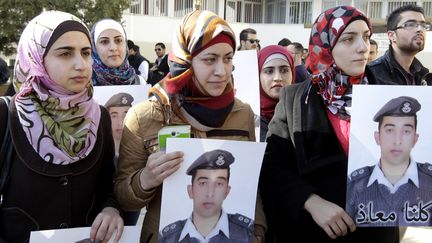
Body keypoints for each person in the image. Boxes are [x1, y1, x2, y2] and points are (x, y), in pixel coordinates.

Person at [114, 10, 266, 243]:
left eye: (228, 58)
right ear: (186, 60)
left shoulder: (242, 113)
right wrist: (146, 178)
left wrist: (257, 231)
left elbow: (248, 185)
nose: (222, 71)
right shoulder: (144, 116)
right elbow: (124, 197)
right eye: (209, 59)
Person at [259, 6, 399, 242]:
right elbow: (273, 167)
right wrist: (310, 201)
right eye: (348, 39)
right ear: (325, 45)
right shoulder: (295, 99)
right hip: (315, 232)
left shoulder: (391, 96)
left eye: (366, 37)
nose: (363, 47)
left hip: (377, 231)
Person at [0, 10, 123, 243]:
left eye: (86, 53)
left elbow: (108, 187)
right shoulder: (6, 116)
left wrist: (110, 209)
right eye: (65, 53)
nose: (81, 64)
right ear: (35, 58)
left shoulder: (100, 116)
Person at [347, 96, 432, 227]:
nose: (397, 140)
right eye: (390, 130)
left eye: (406, 131)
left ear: (415, 138)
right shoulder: (355, 185)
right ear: (377, 137)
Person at [158, 149, 254, 242]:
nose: (210, 194)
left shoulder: (247, 233)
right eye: (203, 183)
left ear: (227, 191)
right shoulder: (168, 238)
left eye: (219, 184)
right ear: (190, 190)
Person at [368, 5, 431, 85]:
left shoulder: (423, 75)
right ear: (392, 35)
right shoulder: (371, 74)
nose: (419, 29)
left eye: (423, 25)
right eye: (410, 24)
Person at [258, 45, 295, 142]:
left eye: (284, 70)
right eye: (269, 71)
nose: (277, 78)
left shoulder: (305, 112)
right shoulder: (248, 117)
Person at [91, 19, 139, 86]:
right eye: (104, 41)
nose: (113, 48)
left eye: (118, 40)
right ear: (94, 48)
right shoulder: (82, 84)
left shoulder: (139, 82)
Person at [104, 92, 134, 161]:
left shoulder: (139, 152)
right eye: (114, 116)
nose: (120, 123)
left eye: (125, 116)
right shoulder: (100, 152)